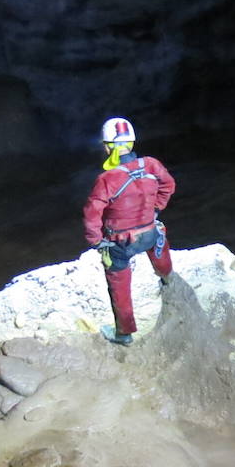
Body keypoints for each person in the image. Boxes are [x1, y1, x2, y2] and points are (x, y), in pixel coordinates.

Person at [83, 117, 175, 345]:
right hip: (149, 232)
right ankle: (167, 278)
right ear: (132, 143)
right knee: (159, 241)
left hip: (121, 242)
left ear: (107, 147)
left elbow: (91, 213)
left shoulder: (107, 179)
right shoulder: (151, 165)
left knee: (119, 282)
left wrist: (96, 240)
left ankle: (124, 333)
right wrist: (155, 210)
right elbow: (169, 185)